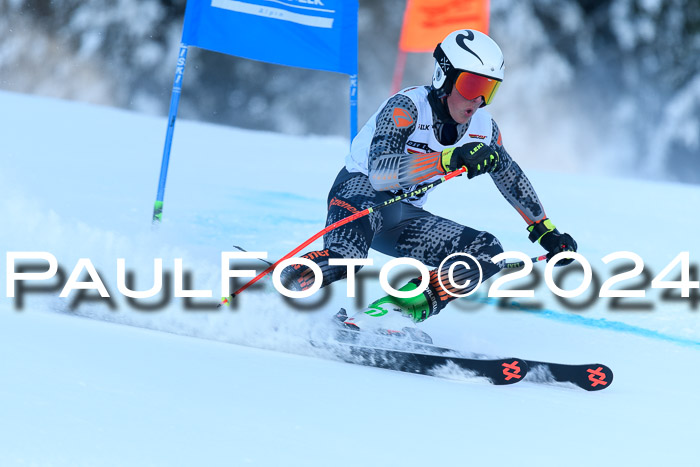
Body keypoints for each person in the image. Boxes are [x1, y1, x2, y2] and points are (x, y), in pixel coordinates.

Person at [280, 29, 577, 333]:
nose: (477, 100)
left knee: (487, 252)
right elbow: (381, 173)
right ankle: (272, 293)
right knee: (347, 259)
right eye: (471, 84)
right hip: (359, 196)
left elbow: (510, 176)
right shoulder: (407, 107)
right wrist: (449, 159)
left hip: (402, 218)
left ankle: (393, 312)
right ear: (443, 78)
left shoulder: (483, 128)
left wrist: (546, 231)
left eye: (488, 90)